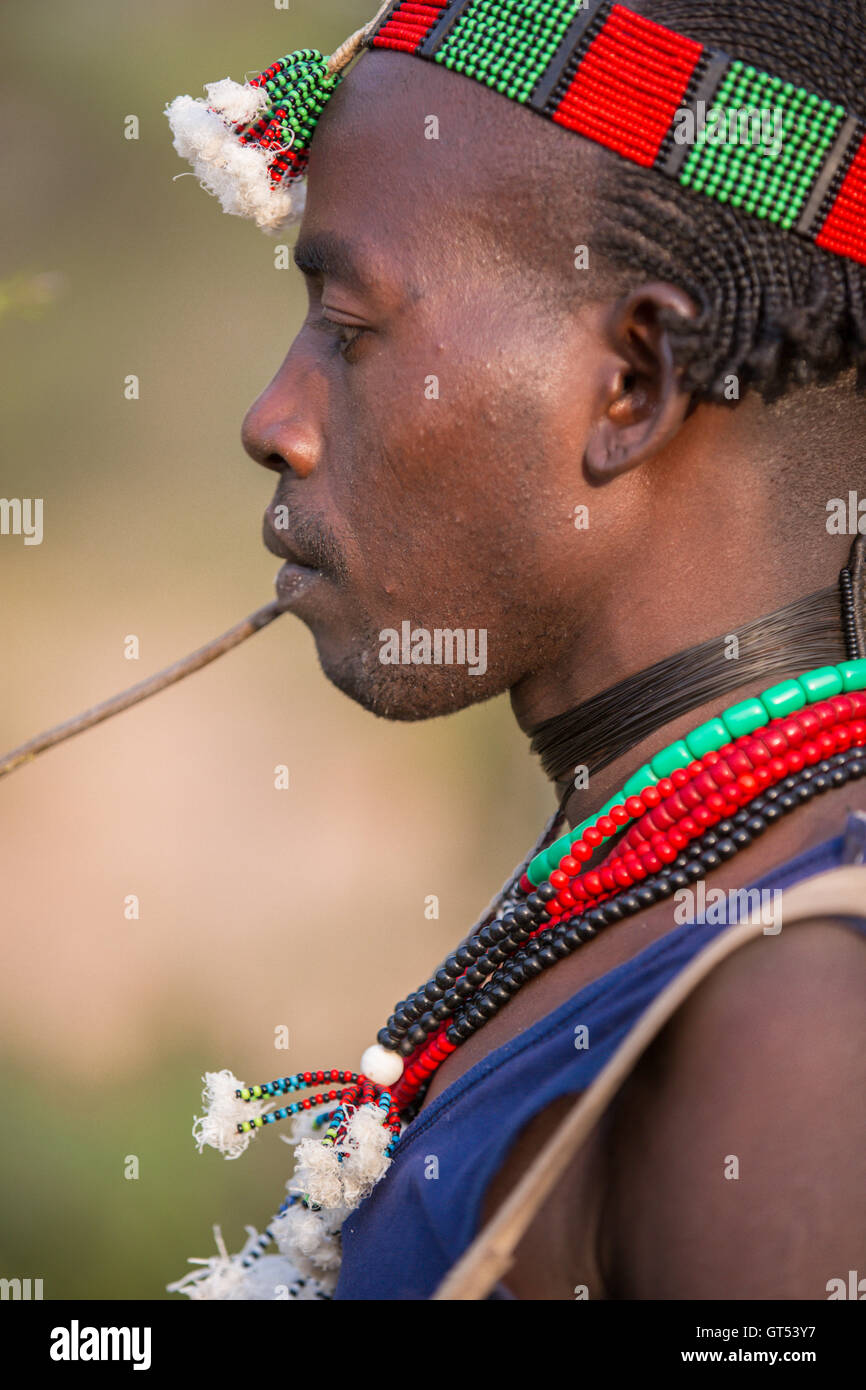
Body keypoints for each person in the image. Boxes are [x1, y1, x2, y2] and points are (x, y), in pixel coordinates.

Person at [167, 0, 866, 1300]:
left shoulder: (803, 1014)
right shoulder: (623, 896)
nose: (273, 421)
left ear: (633, 383)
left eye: (351, 330)